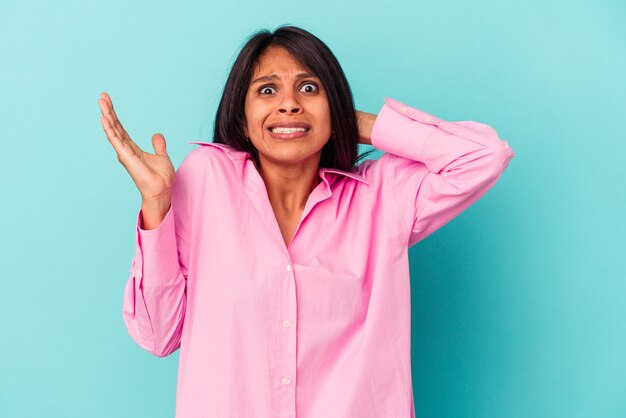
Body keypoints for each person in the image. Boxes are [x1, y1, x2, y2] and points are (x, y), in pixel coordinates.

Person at [99, 25, 514, 418]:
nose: (289, 103)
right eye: (267, 90)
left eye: (309, 88)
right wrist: (157, 204)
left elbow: (484, 157)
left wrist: (356, 124)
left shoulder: (381, 196)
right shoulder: (206, 178)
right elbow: (158, 335)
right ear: (242, 117)